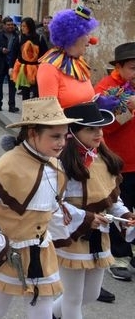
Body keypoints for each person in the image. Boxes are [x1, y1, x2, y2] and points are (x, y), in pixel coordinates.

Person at [0, 96, 82, 318]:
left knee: (42, 307)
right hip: (10, 251)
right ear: (32, 133)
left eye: (64, 137)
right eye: (54, 137)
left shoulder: (55, 165)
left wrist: (61, 235)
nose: (61, 143)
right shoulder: (9, 163)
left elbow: (53, 207)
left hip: (41, 250)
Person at [52, 101, 134, 319]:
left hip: (100, 235)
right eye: (91, 129)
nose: (99, 133)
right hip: (72, 235)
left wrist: (125, 216)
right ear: (72, 132)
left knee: (91, 294)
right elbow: (52, 203)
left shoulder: (104, 159)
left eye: (100, 128)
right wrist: (85, 218)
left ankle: (50, 314)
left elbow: (112, 199)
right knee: (73, 298)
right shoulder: (60, 164)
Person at [94, 42, 135, 285]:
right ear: (118, 67)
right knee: (121, 210)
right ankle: (119, 255)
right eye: (132, 68)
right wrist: (129, 110)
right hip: (119, 164)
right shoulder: (106, 89)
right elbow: (104, 126)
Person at [37, 7, 98, 109]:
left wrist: (98, 105)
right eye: (86, 34)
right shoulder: (49, 67)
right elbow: (49, 114)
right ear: (73, 36)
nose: (91, 40)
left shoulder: (79, 62)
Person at [11, 17, 49, 101]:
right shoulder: (19, 38)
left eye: (24, 26)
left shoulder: (39, 39)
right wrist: (11, 67)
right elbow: (13, 54)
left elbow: (45, 55)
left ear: (30, 27)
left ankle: (35, 111)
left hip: (37, 68)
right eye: (22, 26)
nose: (22, 28)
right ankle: (26, 111)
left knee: (36, 92)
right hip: (23, 69)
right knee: (25, 92)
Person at [0, 16, 19, 113]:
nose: (10, 26)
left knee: (12, 86)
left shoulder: (16, 35)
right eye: (8, 25)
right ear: (4, 25)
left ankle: (12, 105)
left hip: (12, 64)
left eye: (12, 25)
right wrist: (1, 50)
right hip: (0, 63)